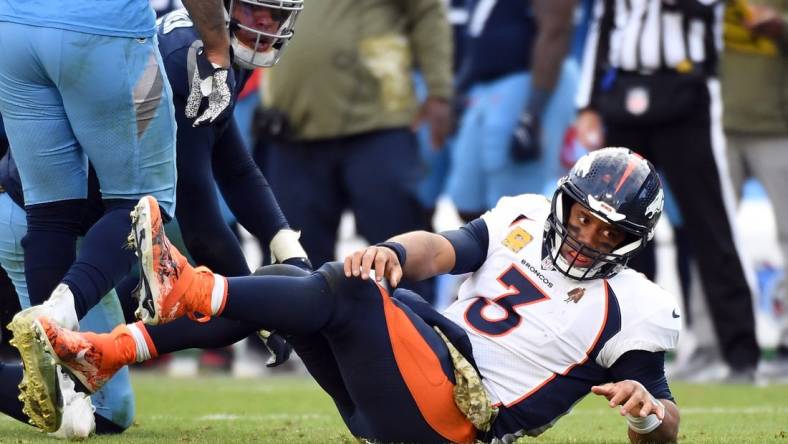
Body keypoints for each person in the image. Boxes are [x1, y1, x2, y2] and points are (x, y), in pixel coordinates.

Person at [34, 148, 680, 443]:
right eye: (584, 217)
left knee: (347, 290)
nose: (587, 236)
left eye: (608, 230)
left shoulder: (635, 305)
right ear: (564, 200)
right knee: (293, 282)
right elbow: (442, 245)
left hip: (462, 420)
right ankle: (110, 350)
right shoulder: (526, 215)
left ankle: (191, 285)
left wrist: (647, 414)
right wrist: (395, 253)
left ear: (631, 241)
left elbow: (666, 422)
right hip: (403, 389)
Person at [1, 0, 252, 433]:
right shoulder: (180, 51)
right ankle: (58, 313)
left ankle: (58, 368)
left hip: (14, 29)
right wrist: (215, 46)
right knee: (144, 205)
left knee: (51, 212)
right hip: (102, 28)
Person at [574, 0, 761, 380]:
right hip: (625, 93)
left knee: (712, 226)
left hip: (687, 92)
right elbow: (603, 26)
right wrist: (588, 104)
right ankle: (627, 351)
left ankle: (741, 354)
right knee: (617, 228)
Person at [258, 0, 453, 301]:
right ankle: (310, 345)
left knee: (399, 241)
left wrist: (439, 92)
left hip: (377, 123)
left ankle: (422, 332)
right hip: (292, 126)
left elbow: (427, 11)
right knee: (298, 254)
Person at [446, 0, 579, 222]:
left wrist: (532, 113)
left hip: (526, 83)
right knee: (468, 203)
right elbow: (479, 33)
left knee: (516, 209)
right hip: (482, 86)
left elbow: (556, 29)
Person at [721, 0, 788, 380]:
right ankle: (710, 345)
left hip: (780, 127)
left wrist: (780, 25)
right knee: (711, 237)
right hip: (716, 125)